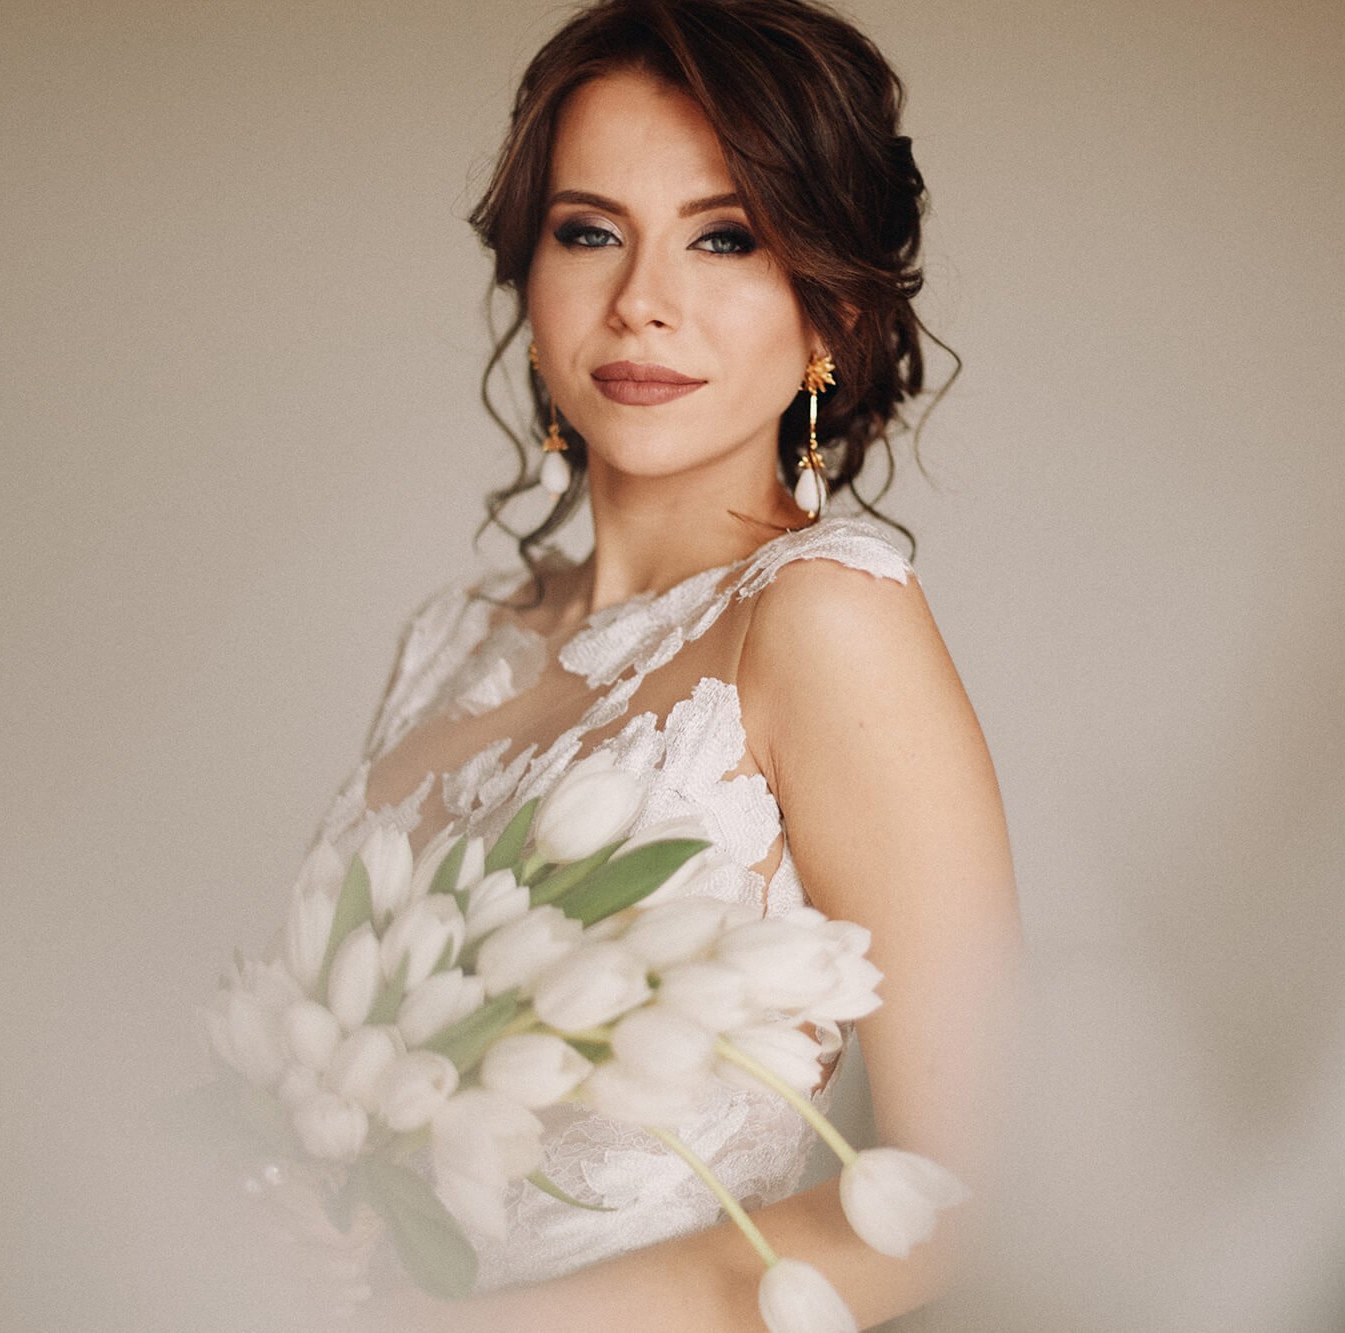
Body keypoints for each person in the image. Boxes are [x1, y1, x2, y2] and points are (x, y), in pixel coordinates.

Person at [289, 2, 1019, 1327]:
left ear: (830, 305)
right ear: (529, 275)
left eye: (724, 237)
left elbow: (966, 1196)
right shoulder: (454, 639)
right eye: (590, 231)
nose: (641, 303)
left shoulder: (823, 620)